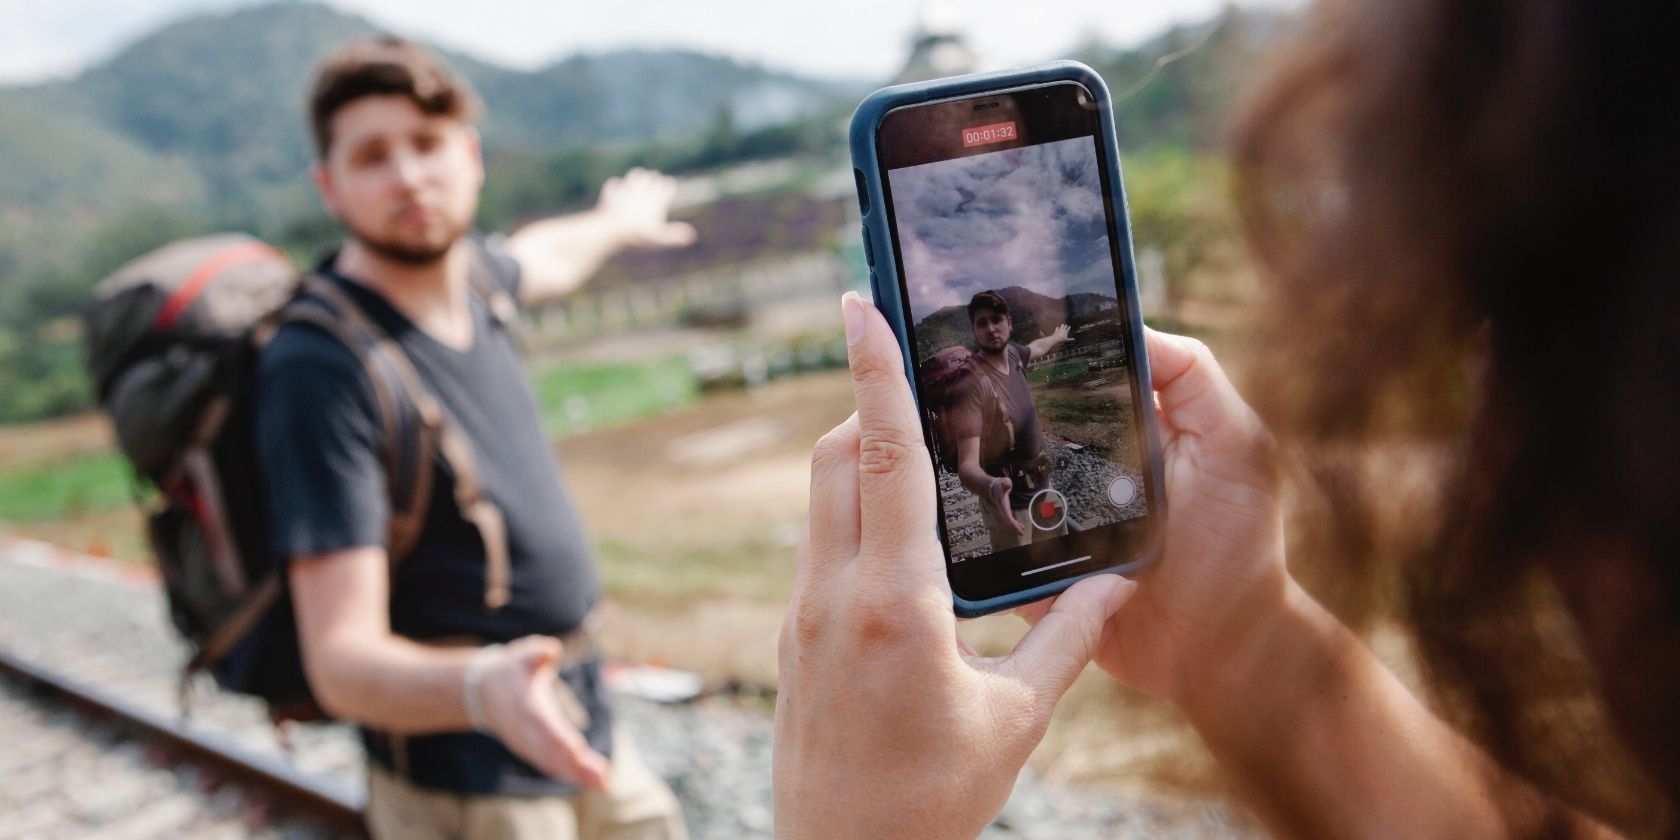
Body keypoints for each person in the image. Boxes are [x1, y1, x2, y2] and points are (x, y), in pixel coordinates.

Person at [774, 0, 1680, 835]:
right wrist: (1242, 628)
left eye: (1512, 326)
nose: (1485, 409)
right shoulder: (977, 366)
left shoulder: (1016, 350)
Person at [259, 37, 694, 839]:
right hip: (467, 783)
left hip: (582, 723)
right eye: (372, 156)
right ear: (330, 187)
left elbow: (548, 255)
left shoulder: (479, 281)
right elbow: (340, 659)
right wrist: (482, 688)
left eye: (427, 145)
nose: (408, 176)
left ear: (470, 156)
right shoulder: (320, 367)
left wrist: (616, 221)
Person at [946, 290, 1071, 550]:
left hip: (1044, 487)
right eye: (982, 323)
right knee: (1021, 576)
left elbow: (1036, 348)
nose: (991, 328)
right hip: (1010, 504)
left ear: (1009, 323)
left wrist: (1057, 337)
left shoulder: (1014, 354)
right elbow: (967, 466)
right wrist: (992, 487)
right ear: (974, 331)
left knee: (1058, 560)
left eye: (996, 320)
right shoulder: (971, 384)